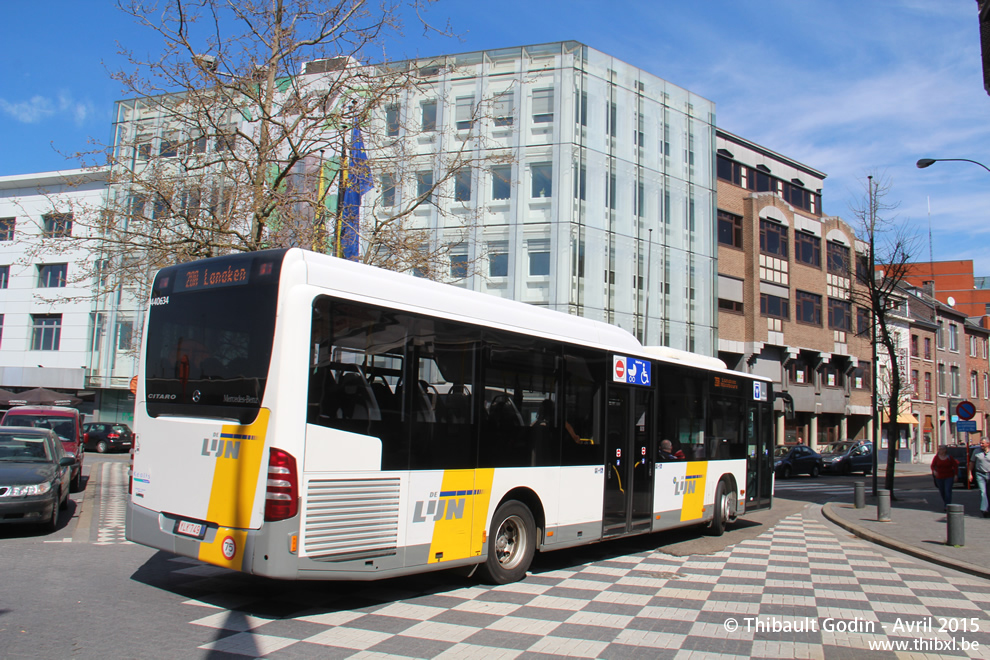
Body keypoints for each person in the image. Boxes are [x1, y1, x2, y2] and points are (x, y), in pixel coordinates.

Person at [930, 445, 959, 510]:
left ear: (945, 450)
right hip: (939, 477)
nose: (939, 450)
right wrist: (934, 471)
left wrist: (956, 475)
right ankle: (946, 502)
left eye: (941, 449)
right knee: (942, 491)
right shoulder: (936, 457)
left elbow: (955, 466)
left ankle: (947, 505)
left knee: (947, 491)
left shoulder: (949, 457)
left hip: (949, 476)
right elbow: (932, 465)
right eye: (939, 449)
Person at [971, 437, 990, 518]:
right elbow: (972, 462)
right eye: (980, 443)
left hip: (989, 474)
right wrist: (969, 474)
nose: (981, 445)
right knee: (983, 492)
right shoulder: (976, 451)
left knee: (988, 493)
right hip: (980, 474)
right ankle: (984, 509)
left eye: (982, 443)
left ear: (988, 444)